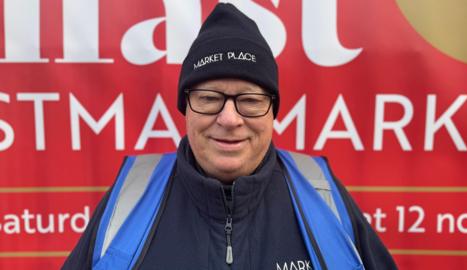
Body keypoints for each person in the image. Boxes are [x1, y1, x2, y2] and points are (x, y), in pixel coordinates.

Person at [63, 3, 397, 270]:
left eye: (250, 101)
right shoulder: (130, 196)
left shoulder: (321, 192)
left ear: (273, 112)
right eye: (209, 98)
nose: (229, 118)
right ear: (186, 108)